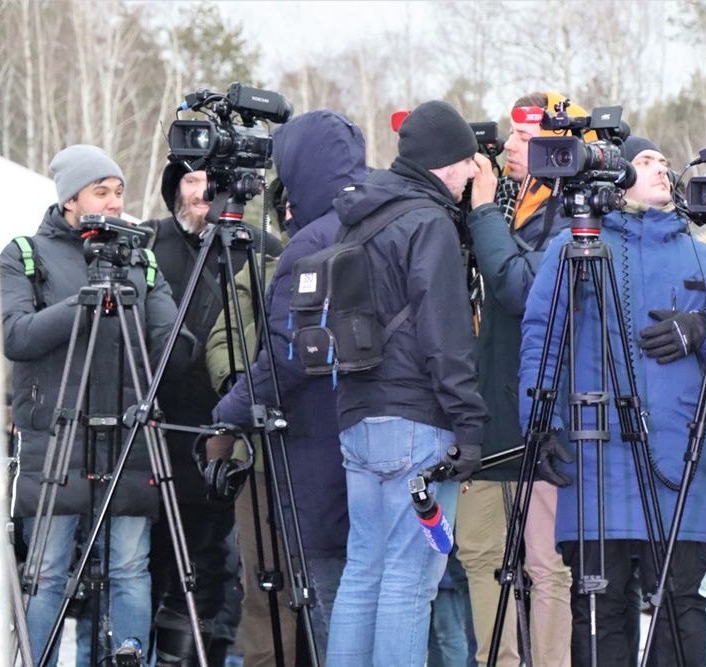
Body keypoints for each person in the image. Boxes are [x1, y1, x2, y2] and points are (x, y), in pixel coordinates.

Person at [519, 135, 706, 666]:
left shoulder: (698, 254)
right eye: (644, 160)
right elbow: (542, 335)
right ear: (615, 176)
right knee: (599, 614)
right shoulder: (576, 245)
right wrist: (536, 424)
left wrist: (703, 329)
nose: (660, 166)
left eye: (664, 159)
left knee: (680, 613)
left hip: (678, 471)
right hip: (598, 471)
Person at [0, 145, 180, 664]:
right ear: (71, 201)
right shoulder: (25, 253)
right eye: (101, 191)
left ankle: (127, 656)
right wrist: (86, 300)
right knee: (49, 570)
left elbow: (169, 339)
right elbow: (16, 336)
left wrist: (176, 337)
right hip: (55, 439)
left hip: (128, 436)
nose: (115, 202)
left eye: (119, 191)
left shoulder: (140, 258)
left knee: (128, 566)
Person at [325, 99, 489, 667]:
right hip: (417, 423)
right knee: (410, 580)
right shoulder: (429, 223)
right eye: (470, 163)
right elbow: (444, 333)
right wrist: (469, 423)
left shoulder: (360, 216)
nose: (475, 174)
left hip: (356, 417)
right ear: (447, 163)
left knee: (363, 570)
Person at [209, 109, 366, 663]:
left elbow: (286, 357)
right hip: (377, 448)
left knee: (332, 607)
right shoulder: (390, 225)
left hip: (316, 455)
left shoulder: (304, 247)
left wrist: (228, 412)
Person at [458, 90, 579, 667]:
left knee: (544, 561)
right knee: (480, 554)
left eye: (526, 138)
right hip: (489, 399)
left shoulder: (573, 211)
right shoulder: (514, 199)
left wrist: (482, 210)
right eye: (511, 134)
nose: (509, 146)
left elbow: (518, 286)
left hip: (541, 407)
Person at [145, 159, 282, 663]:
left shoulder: (262, 251)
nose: (205, 192)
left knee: (226, 569)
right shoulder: (149, 245)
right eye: (192, 180)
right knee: (155, 561)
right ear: (174, 190)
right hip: (161, 434)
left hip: (238, 433)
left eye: (213, 181)